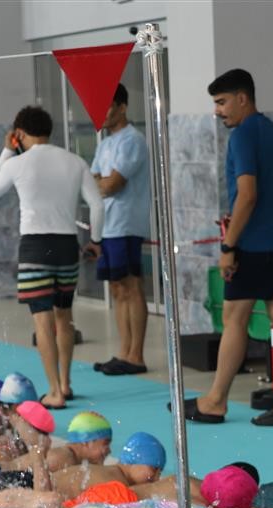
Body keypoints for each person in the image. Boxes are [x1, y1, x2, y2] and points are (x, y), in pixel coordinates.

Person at [181, 69, 273, 428]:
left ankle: (216, 401)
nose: (218, 111)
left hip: (255, 243)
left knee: (234, 318)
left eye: (222, 102)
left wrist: (229, 244)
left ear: (243, 98)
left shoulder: (243, 137)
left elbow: (248, 195)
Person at [0, 105, 105, 409]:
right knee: (64, 317)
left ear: (19, 134)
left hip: (35, 246)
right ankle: (66, 382)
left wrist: (6, 152)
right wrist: (96, 241)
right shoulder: (74, 161)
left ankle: (54, 392)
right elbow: (98, 205)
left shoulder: (18, 163)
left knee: (43, 320)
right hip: (67, 246)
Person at [90, 83, 154, 377]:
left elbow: (113, 184)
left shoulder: (133, 140)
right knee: (116, 289)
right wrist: (100, 185)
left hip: (126, 222)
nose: (100, 114)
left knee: (130, 285)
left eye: (106, 106)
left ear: (122, 107)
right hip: (107, 224)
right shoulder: (104, 143)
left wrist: (101, 185)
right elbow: (91, 183)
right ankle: (123, 351)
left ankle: (136, 355)